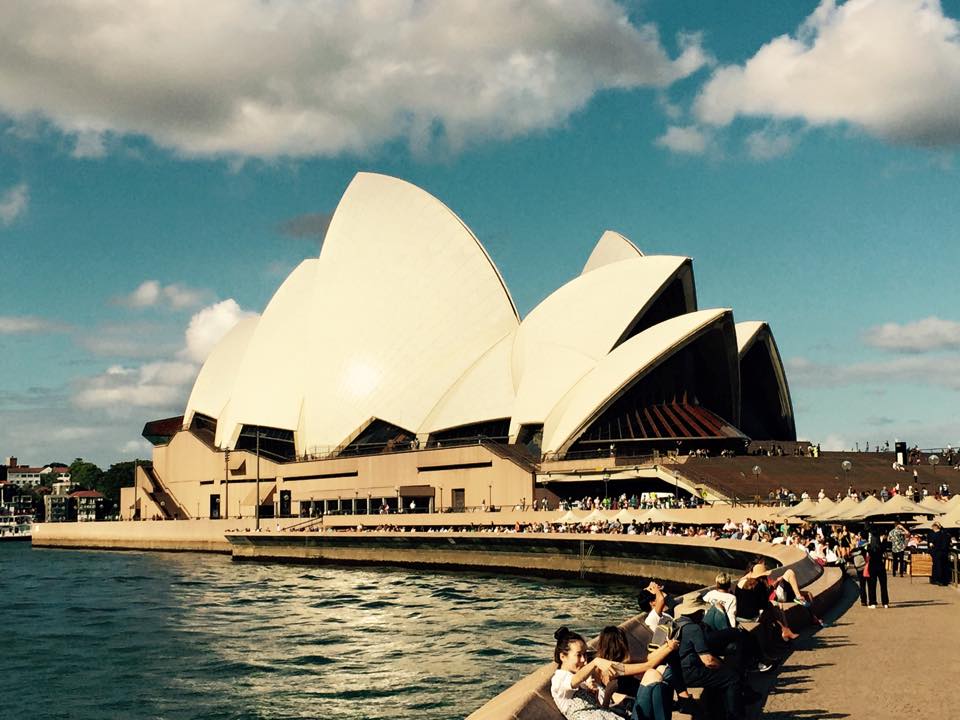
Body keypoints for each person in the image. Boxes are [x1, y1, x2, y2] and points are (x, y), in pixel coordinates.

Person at [674, 599, 750, 720]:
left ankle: (718, 712)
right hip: (690, 672)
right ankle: (735, 716)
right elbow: (708, 660)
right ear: (696, 612)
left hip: (677, 672)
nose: (703, 614)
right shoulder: (693, 628)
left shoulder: (676, 623)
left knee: (720, 676)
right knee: (732, 677)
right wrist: (723, 665)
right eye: (701, 611)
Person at [594, 626, 678, 720]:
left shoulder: (604, 664)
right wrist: (669, 649)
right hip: (636, 705)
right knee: (660, 673)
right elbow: (648, 665)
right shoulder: (616, 668)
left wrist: (667, 646)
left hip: (635, 702)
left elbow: (647, 658)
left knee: (663, 670)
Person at [550, 627, 623, 719]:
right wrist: (595, 662)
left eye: (585, 654)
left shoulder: (583, 682)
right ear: (563, 657)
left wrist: (607, 693)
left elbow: (601, 711)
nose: (584, 660)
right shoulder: (559, 678)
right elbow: (575, 680)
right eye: (579, 655)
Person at [864, 525, 889, 608]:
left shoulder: (869, 547)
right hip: (880, 565)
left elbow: (866, 554)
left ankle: (873, 602)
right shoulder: (881, 546)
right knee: (883, 585)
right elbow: (885, 549)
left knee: (872, 585)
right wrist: (884, 539)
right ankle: (885, 602)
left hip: (872, 565)